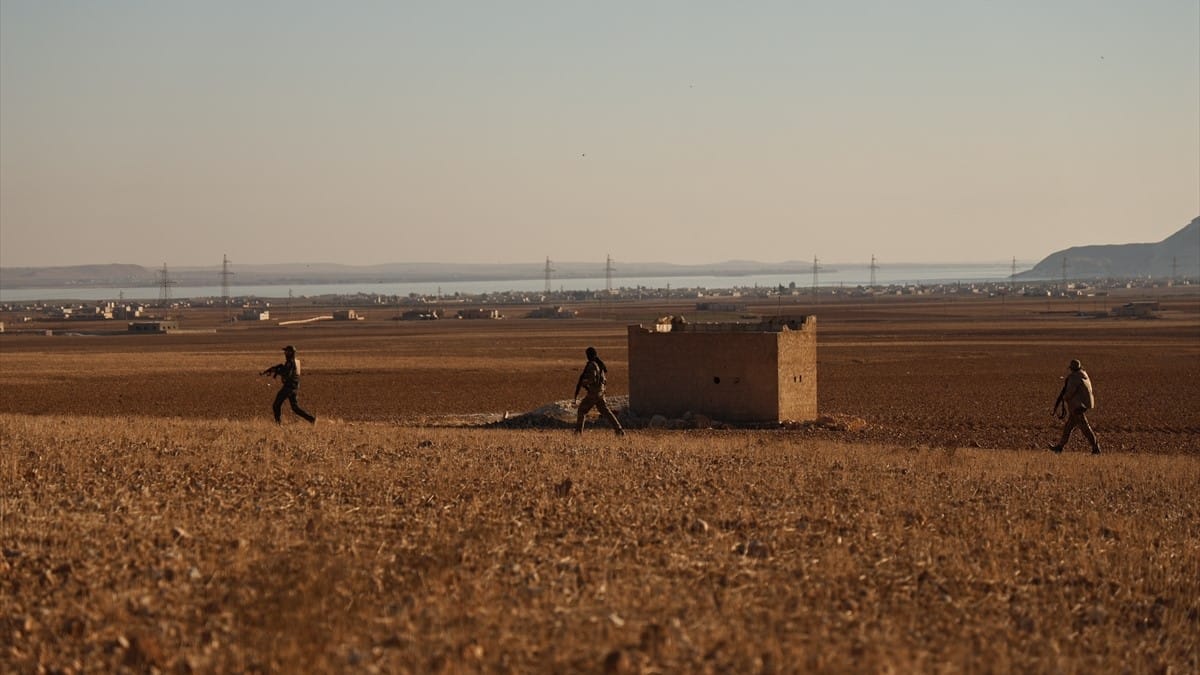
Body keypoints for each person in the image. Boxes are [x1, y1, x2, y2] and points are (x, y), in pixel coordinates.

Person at [1050, 359, 1099, 454]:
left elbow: (1070, 392)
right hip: (1081, 405)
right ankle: (1059, 447)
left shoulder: (1074, 378)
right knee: (1068, 427)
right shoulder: (1083, 374)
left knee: (1085, 429)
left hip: (1077, 407)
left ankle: (1096, 448)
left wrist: (1064, 398)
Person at [573, 346, 625, 436]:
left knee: (582, 410)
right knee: (606, 412)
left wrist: (583, 383)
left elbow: (592, 378)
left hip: (594, 393)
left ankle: (578, 432)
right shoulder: (599, 364)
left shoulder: (592, 365)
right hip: (600, 392)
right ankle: (619, 430)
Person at [261, 345, 317, 425]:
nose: (285, 353)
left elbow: (287, 374)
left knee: (276, 405)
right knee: (295, 408)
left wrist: (276, 371)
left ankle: (278, 424)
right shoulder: (296, 361)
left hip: (288, 387)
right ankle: (312, 419)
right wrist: (275, 369)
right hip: (294, 387)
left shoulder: (290, 362)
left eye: (286, 351)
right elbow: (288, 371)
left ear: (290, 352)